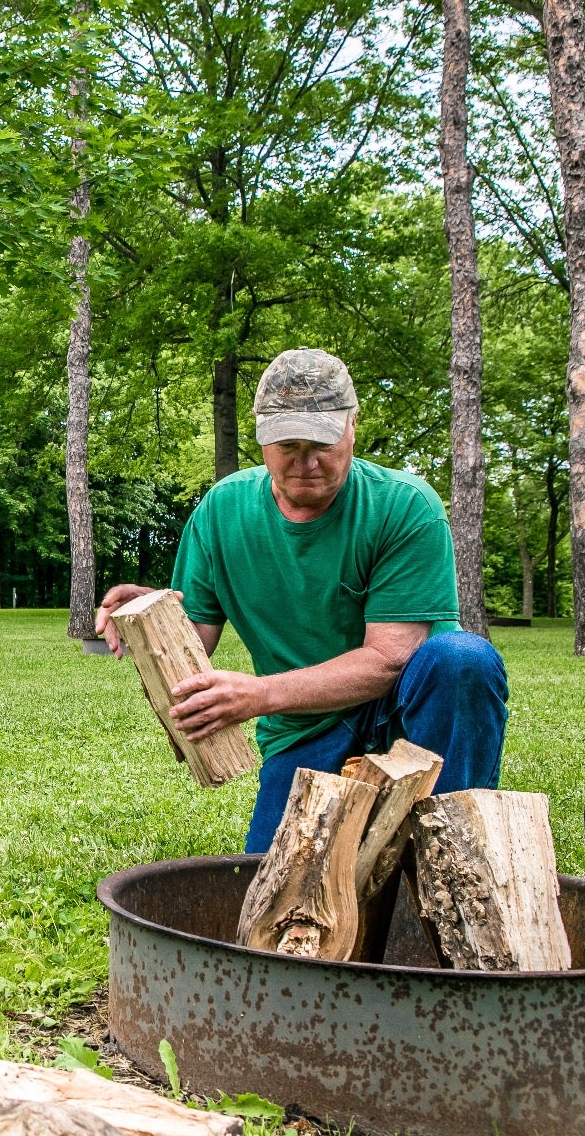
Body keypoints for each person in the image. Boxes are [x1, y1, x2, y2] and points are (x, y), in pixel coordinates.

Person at [96, 349, 508, 853]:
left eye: (322, 443)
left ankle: (450, 849)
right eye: (288, 444)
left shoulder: (405, 506)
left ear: (352, 427)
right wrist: (151, 623)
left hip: (411, 709)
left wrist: (259, 695)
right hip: (304, 728)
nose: (306, 462)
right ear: (261, 437)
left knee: (464, 660)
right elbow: (190, 655)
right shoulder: (221, 512)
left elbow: (387, 661)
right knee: (271, 887)